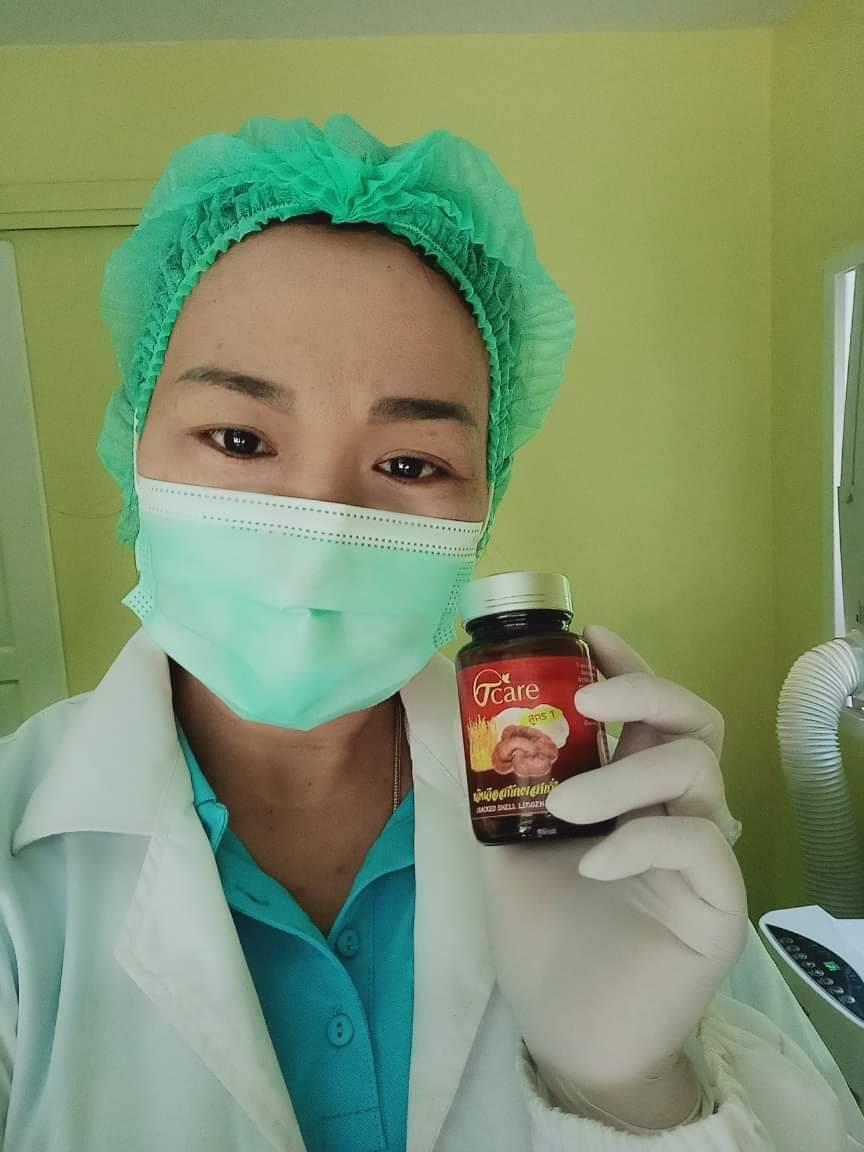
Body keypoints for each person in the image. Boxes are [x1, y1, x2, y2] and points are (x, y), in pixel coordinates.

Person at [0, 114, 861, 1152]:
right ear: (137, 447)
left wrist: (633, 1090)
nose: (320, 532)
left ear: (481, 507)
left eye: (409, 464)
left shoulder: (611, 826)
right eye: (238, 438)